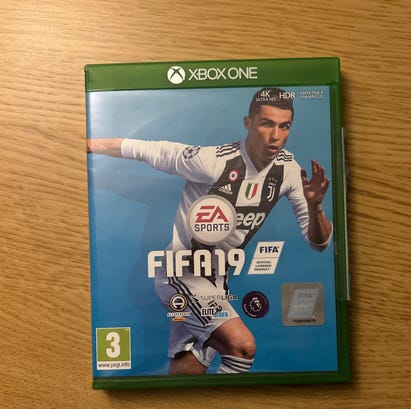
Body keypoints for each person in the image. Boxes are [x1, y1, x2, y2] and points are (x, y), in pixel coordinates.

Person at [87, 87, 333, 375]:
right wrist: (89, 144)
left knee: (187, 371)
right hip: (181, 274)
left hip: (216, 283)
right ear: (248, 123)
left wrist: (316, 207)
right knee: (242, 347)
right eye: (267, 123)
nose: (275, 135)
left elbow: (319, 243)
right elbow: (145, 149)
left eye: (284, 126)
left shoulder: (288, 170)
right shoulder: (213, 161)